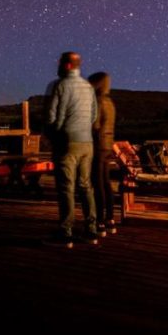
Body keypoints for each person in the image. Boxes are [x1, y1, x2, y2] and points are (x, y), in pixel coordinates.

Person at [44, 51, 98, 247]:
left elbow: (51, 117)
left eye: (59, 63)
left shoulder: (59, 85)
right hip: (87, 143)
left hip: (67, 142)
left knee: (66, 187)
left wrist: (54, 135)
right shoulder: (88, 87)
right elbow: (93, 116)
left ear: (66, 65)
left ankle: (66, 231)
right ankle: (91, 229)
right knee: (85, 186)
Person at [88, 71, 117, 237]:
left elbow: (95, 125)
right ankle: (110, 219)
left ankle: (99, 221)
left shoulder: (97, 101)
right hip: (107, 146)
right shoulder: (110, 102)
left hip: (98, 146)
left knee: (97, 184)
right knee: (106, 183)